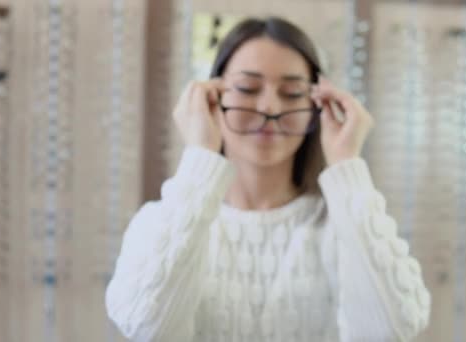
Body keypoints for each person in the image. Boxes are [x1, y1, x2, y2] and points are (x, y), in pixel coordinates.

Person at [105, 16, 430, 342]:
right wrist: (199, 158)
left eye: (291, 93)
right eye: (248, 88)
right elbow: (144, 325)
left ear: (316, 105)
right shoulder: (162, 221)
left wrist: (347, 164)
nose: (269, 107)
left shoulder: (342, 228)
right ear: (213, 99)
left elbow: (395, 328)